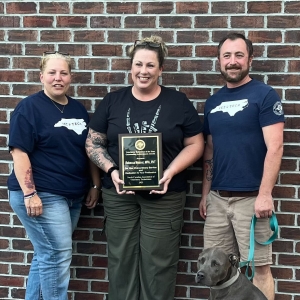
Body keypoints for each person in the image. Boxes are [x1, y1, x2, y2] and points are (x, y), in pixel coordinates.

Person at [85, 35, 204, 300]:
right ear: (131, 67)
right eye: (138, 64)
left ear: (161, 69)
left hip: (165, 195)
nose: (143, 71)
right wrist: (113, 172)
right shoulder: (113, 101)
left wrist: (169, 172)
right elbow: (93, 145)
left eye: (151, 65)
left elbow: (196, 144)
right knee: (121, 261)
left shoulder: (178, 102)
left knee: (159, 264)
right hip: (118, 195)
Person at [8, 51, 101, 300]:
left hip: (72, 197)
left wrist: (94, 184)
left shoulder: (78, 110)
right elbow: (19, 152)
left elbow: (88, 149)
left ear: (70, 77)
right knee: (57, 256)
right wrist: (30, 193)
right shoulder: (29, 108)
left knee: (46, 255)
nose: (58, 78)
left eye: (63, 73)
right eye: (52, 72)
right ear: (41, 76)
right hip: (42, 195)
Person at [199, 32, 284, 300]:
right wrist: (205, 194)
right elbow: (210, 150)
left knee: (260, 270)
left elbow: (276, 147)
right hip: (218, 201)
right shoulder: (212, 103)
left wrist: (265, 194)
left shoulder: (265, 95)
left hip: (252, 201)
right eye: (227, 56)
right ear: (219, 61)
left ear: (249, 59)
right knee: (215, 274)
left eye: (239, 55)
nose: (232, 61)